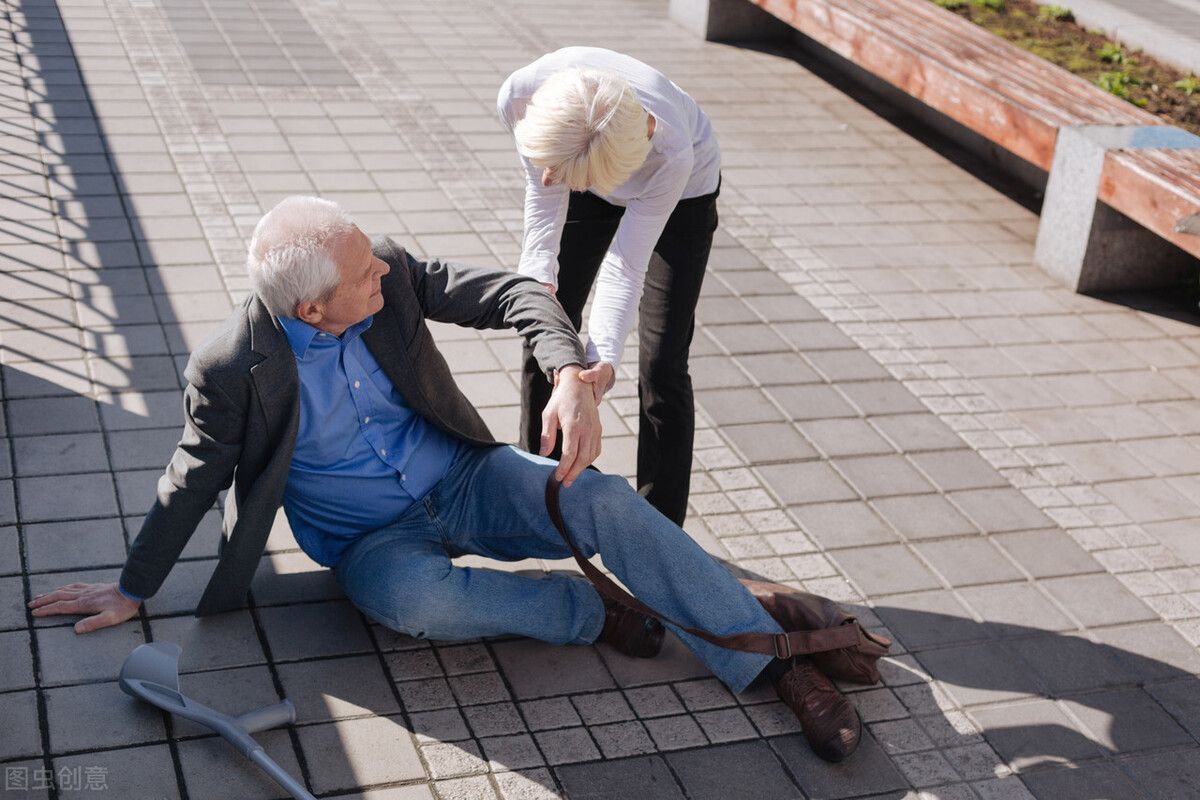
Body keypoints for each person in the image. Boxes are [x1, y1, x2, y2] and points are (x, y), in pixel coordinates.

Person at [28, 196, 859, 762]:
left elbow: (511, 293)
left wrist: (567, 371)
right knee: (413, 604)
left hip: (466, 474)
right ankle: (597, 606)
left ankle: (777, 661)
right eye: (364, 277)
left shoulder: (384, 270)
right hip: (370, 538)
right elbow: (192, 475)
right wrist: (135, 588)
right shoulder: (230, 368)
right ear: (312, 308)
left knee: (596, 494)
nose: (385, 276)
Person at [499, 47, 720, 527]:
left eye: (577, 182)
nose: (550, 179)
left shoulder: (673, 151)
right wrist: (546, 314)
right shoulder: (521, 95)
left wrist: (600, 364)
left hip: (680, 195)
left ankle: (660, 528)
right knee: (549, 323)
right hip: (583, 154)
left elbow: (625, 267)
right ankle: (540, 486)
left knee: (662, 364)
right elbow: (542, 225)